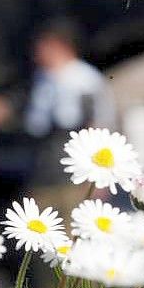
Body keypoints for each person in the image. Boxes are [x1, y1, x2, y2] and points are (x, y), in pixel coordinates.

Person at [24, 20, 117, 216]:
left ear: (60, 46)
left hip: (73, 182)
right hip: (42, 176)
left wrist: (98, 181)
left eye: (43, 46)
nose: (36, 52)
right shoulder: (41, 79)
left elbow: (99, 127)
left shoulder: (85, 81)